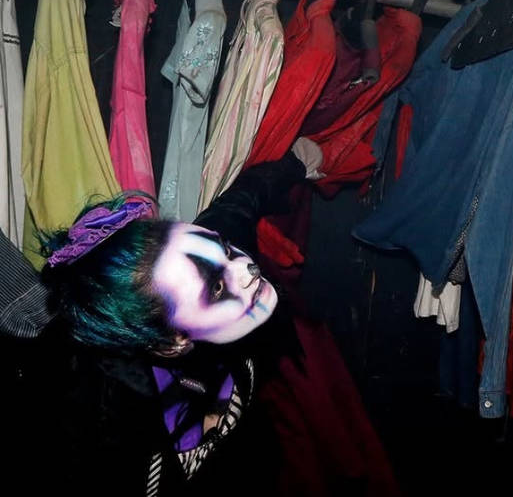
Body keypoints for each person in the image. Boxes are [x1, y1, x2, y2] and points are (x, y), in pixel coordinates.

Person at [18, 138, 324, 495]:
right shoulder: (101, 417)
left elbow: (243, 199)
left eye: (223, 249)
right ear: (171, 343)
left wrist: (296, 163)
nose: (245, 267)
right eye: (217, 289)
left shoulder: (211, 256)